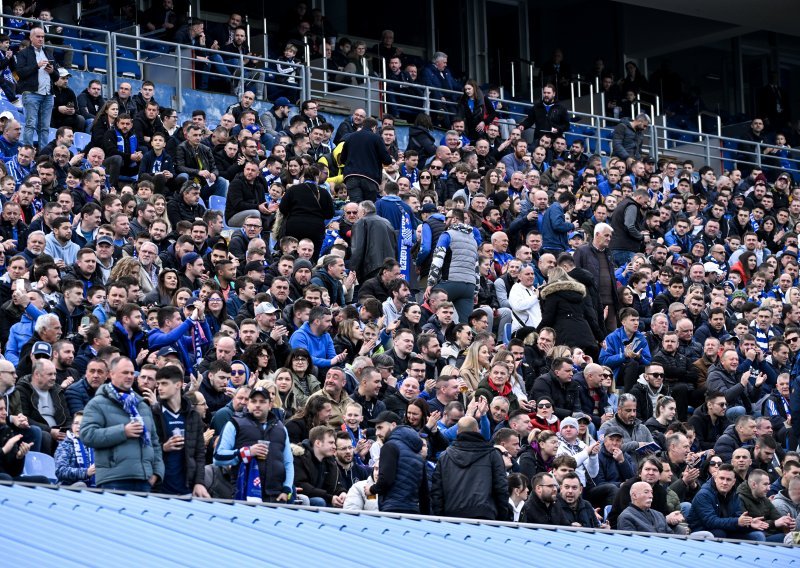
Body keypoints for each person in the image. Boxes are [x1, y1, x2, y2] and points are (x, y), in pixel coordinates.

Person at [80, 357, 164, 492]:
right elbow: (87, 435)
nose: (130, 376)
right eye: (125, 373)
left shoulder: (141, 405)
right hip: (114, 480)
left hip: (144, 480)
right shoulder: (97, 403)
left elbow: (154, 442)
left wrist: (156, 473)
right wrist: (123, 431)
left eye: (132, 373)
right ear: (111, 374)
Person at [213, 385, 294, 503]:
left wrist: (286, 489)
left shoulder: (281, 428)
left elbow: (288, 462)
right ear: (248, 404)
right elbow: (218, 457)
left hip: (275, 496)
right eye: (253, 401)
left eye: (262, 401)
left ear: (270, 405)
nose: (257, 405)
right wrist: (248, 452)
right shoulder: (234, 423)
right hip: (243, 494)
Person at [431, 416, 511, 520]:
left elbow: (437, 492)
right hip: (485, 516)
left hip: (452, 517)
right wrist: (502, 517)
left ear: (457, 432)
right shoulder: (492, 455)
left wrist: (440, 517)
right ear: (478, 431)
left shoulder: (444, 456)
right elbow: (501, 488)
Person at [151, 365, 209, 497]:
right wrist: (164, 447)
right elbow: (145, 450)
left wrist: (199, 482)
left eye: (164, 384)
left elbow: (199, 454)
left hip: (187, 488)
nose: (159, 387)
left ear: (178, 384)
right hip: (160, 489)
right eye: (158, 384)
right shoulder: (154, 413)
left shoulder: (193, 416)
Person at [364, 411, 429, 514]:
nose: (377, 433)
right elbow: (424, 492)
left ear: (393, 425)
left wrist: (371, 490)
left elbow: (385, 480)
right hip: (413, 512)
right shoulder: (417, 452)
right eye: (376, 429)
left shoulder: (389, 446)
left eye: (380, 428)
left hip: (393, 510)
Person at [688, 463, 772, 541]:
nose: (724, 482)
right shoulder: (703, 495)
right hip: (703, 531)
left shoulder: (735, 495)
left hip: (726, 529)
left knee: (758, 535)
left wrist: (749, 523)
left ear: (733, 482)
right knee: (720, 533)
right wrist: (737, 522)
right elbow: (710, 521)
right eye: (721, 478)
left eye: (728, 479)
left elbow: (738, 517)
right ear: (715, 478)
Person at [424, 208, 478, 323]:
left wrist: (430, 283)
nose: (444, 222)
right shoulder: (473, 240)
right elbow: (476, 267)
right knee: (464, 324)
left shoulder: (447, 235)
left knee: (427, 306)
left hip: (451, 282)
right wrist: (475, 291)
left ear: (454, 219)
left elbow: (437, 260)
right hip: (469, 286)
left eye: (446, 218)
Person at [15, 27, 60, 147]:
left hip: (48, 94)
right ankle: (28, 151)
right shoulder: (23, 53)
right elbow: (20, 73)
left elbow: (57, 76)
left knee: (45, 127)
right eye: (38, 36)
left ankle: (43, 155)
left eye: (43, 37)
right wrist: (37, 65)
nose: (41, 39)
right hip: (31, 93)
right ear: (31, 38)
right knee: (30, 124)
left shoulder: (48, 53)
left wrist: (51, 71)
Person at [279, 165, 335, 260]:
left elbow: (282, 208)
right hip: (315, 228)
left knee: (292, 256)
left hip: (294, 226)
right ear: (317, 177)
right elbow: (330, 213)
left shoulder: (293, 189)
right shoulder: (324, 192)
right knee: (312, 257)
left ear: (303, 177)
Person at [340, 117, 393, 203]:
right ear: (374, 128)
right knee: (368, 207)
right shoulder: (376, 138)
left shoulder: (350, 137)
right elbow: (387, 160)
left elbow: (342, 159)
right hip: (370, 178)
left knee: (356, 205)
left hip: (351, 177)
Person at [736, 468, 796, 541]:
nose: (769, 488)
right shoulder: (739, 498)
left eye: (769, 484)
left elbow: (777, 518)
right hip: (750, 536)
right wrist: (774, 523)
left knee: (792, 537)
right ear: (754, 484)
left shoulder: (763, 497)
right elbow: (745, 525)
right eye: (765, 484)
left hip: (767, 534)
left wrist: (787, 522)